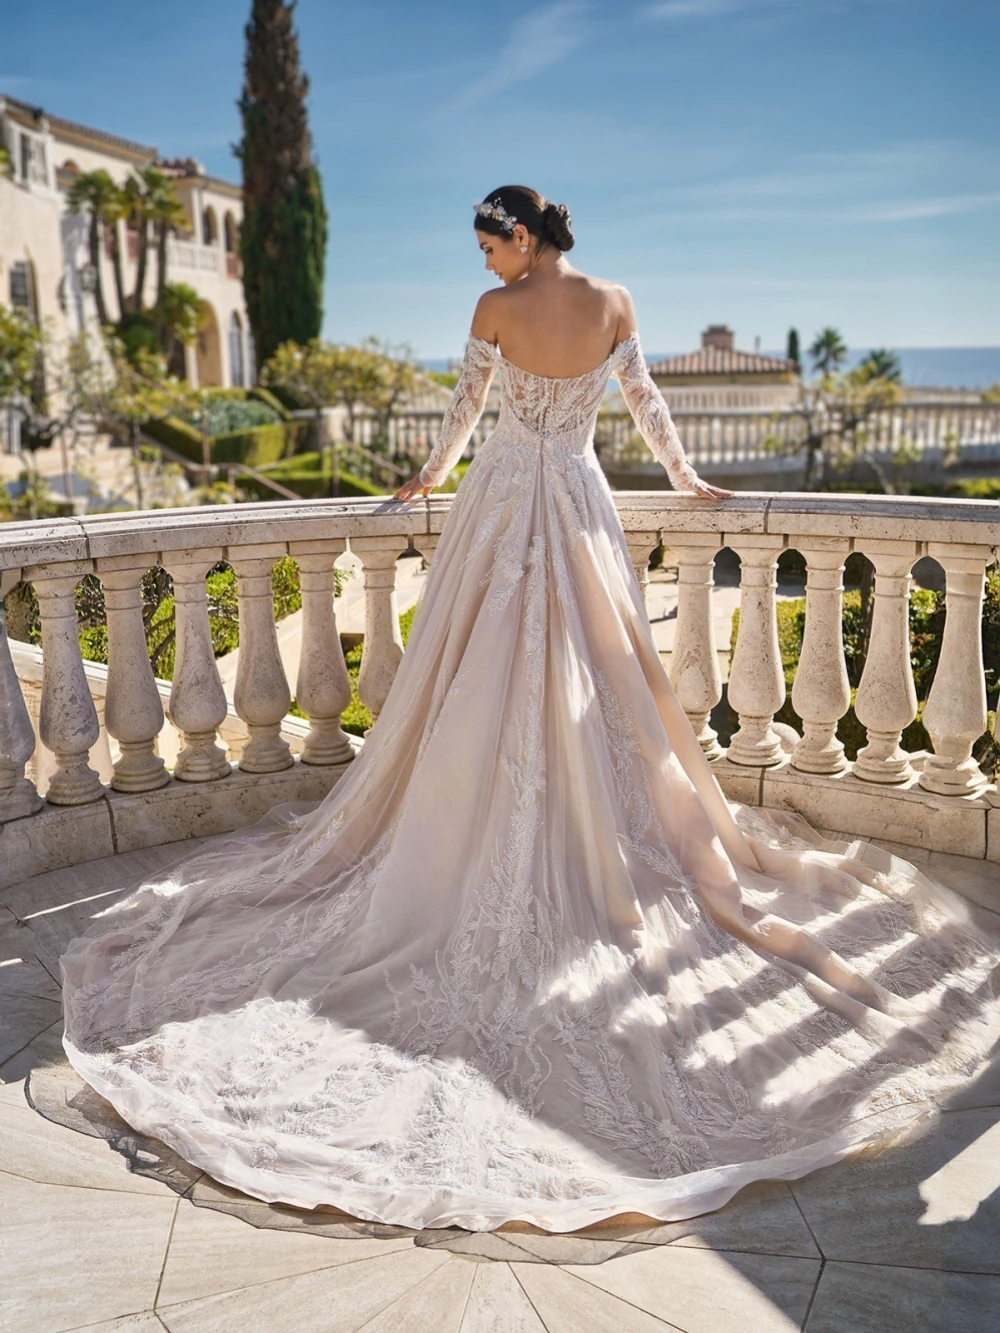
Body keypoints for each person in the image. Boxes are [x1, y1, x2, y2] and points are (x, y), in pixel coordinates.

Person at [61, 185, 1000, 1234]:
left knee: (493, 667)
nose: (485, 261)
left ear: (522, 235)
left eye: (488, 244)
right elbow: (646, 407)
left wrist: (426, 473)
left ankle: (489, 835)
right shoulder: (612, 300)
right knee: (596, 675)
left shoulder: (495, 310)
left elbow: (467, 416)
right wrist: (686, 478)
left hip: (508, 497)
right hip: (578, 497)